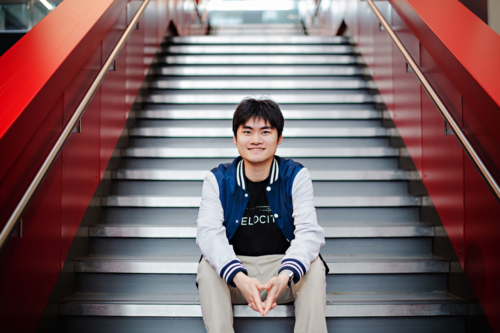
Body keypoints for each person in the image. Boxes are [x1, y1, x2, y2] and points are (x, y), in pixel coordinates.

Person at [195, 97, 328, 333]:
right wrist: (238, 276)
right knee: (207, 267)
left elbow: (309, 233)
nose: (256, 140)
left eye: (265, 131)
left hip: (281, 273)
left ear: (279, 138)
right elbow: (208, 235)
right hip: (237, 276)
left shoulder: (295, 175)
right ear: (235, 138)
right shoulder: (217, 180)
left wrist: (286, 274)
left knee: (314, 267)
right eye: (247, 131)